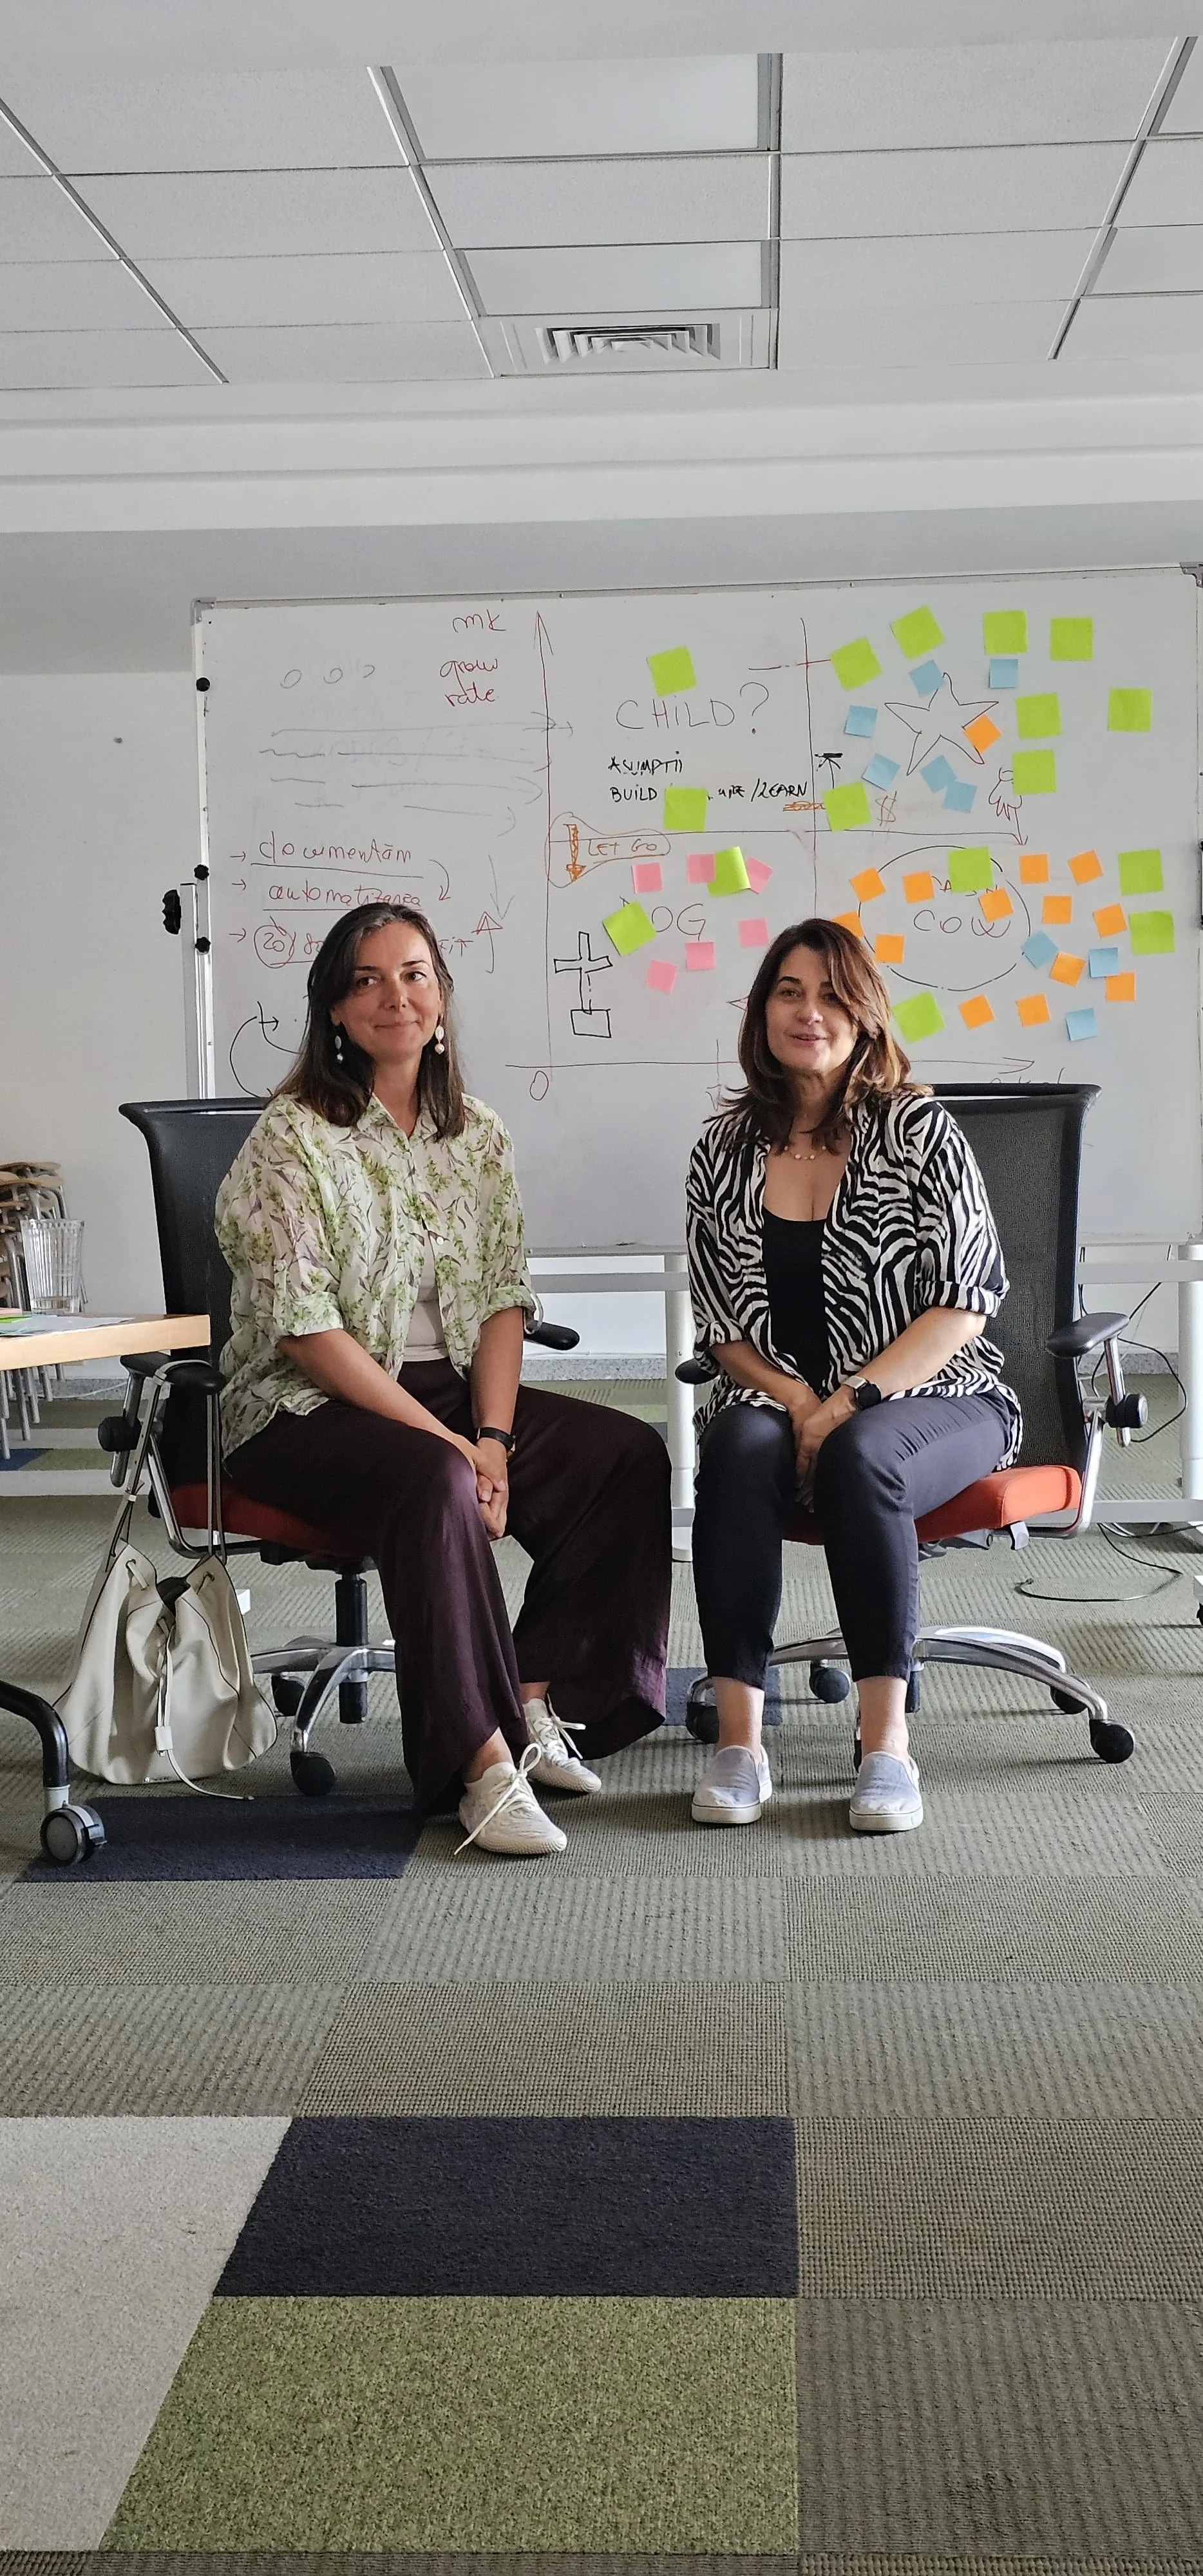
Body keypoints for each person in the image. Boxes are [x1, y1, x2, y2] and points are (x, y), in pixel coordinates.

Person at [215, 900, 670, 1856]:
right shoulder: (290, 1140)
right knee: (438, 1477)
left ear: (443, 997)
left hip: (449, 1398)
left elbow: (504, 1297)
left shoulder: (480, 1135)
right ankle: (479, 1764)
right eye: (368, 980)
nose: (395, 996)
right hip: (302, 1410)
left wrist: (494, 1438)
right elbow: (307, 1335)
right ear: (334, 1010)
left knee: (622, 1456)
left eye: (414, 974)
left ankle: (533, 1696)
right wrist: (456, 1449)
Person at [685, 916, 1020, 1837]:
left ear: (866, 1013)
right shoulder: (724, 1148)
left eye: (832, 994)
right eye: (790, 992)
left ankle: (885, 1747)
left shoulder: (918, 1130)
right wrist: (798, 1403)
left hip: (940, 1400)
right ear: (761, 1013)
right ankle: (741, 1741)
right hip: (779, 1395)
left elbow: (962, 1305)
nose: (810, 1013)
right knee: (739, 1442)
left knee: (861, 1454)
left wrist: (845, 1404)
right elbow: (720, 1324)